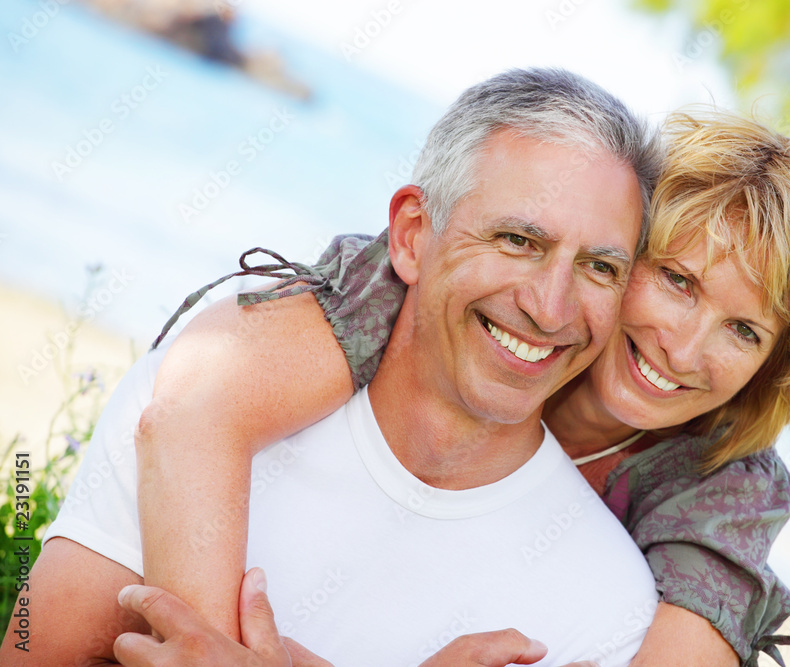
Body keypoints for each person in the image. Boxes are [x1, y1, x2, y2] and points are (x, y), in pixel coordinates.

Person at [113, 107, 790, 665]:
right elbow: (201, 404)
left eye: (745, 331)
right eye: (677, 281)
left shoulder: (726, 492)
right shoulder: (450, 292)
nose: (685, 345)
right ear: (620, 248)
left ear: (772, 364)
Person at [1, 67, 668, 667]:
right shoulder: (221, 383)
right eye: (517, 240)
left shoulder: (604, 607)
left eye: (599, 267)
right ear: (412, 235)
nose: (550, 308)